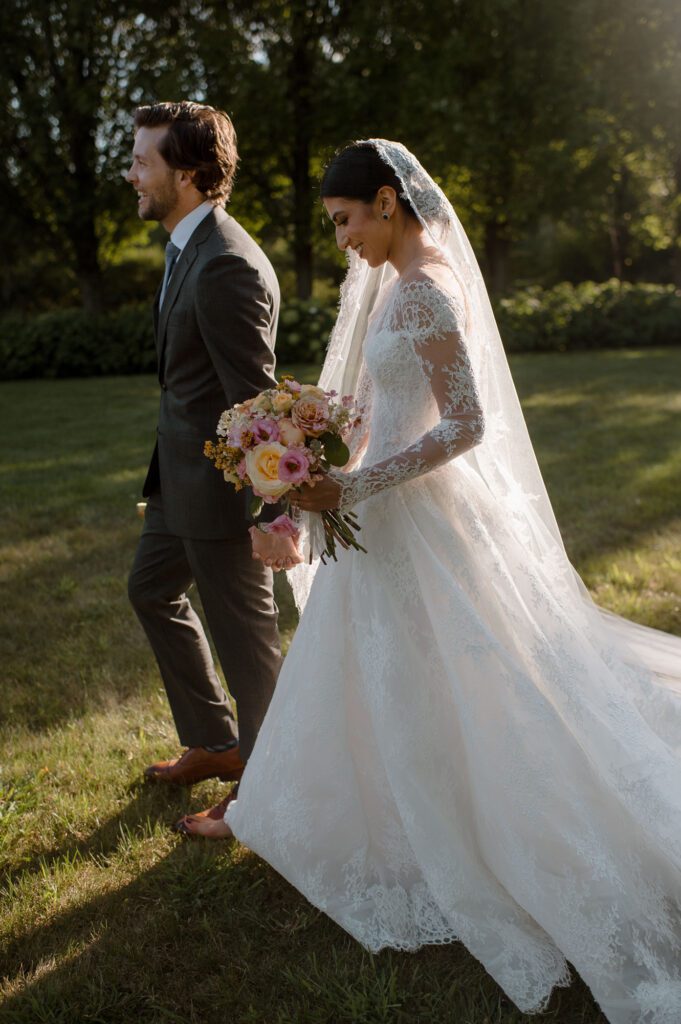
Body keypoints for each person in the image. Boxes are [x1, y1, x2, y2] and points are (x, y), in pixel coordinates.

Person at [177, 140, 681, 1023]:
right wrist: (301, 489)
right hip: (381, 518)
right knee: (381, 675)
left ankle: (474, 829)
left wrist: (353, 488)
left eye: (344, 221)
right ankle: (353, 816)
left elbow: (467, 425)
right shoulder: (389, 285)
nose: (340, 241)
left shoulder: (428, 289)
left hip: (428, 519)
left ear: (385, 201)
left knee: (468, 678)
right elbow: (372, 411)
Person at [126, 101, 300, 822]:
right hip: (178, 480)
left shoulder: (225, 262)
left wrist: (275, 509)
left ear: (190, 175)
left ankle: (268, 789)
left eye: (143, 162)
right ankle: (214, 741)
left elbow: (255, 399)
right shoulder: (185, 246)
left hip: (222, 494)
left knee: (247, 644)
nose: (129, 174)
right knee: (150, 589)